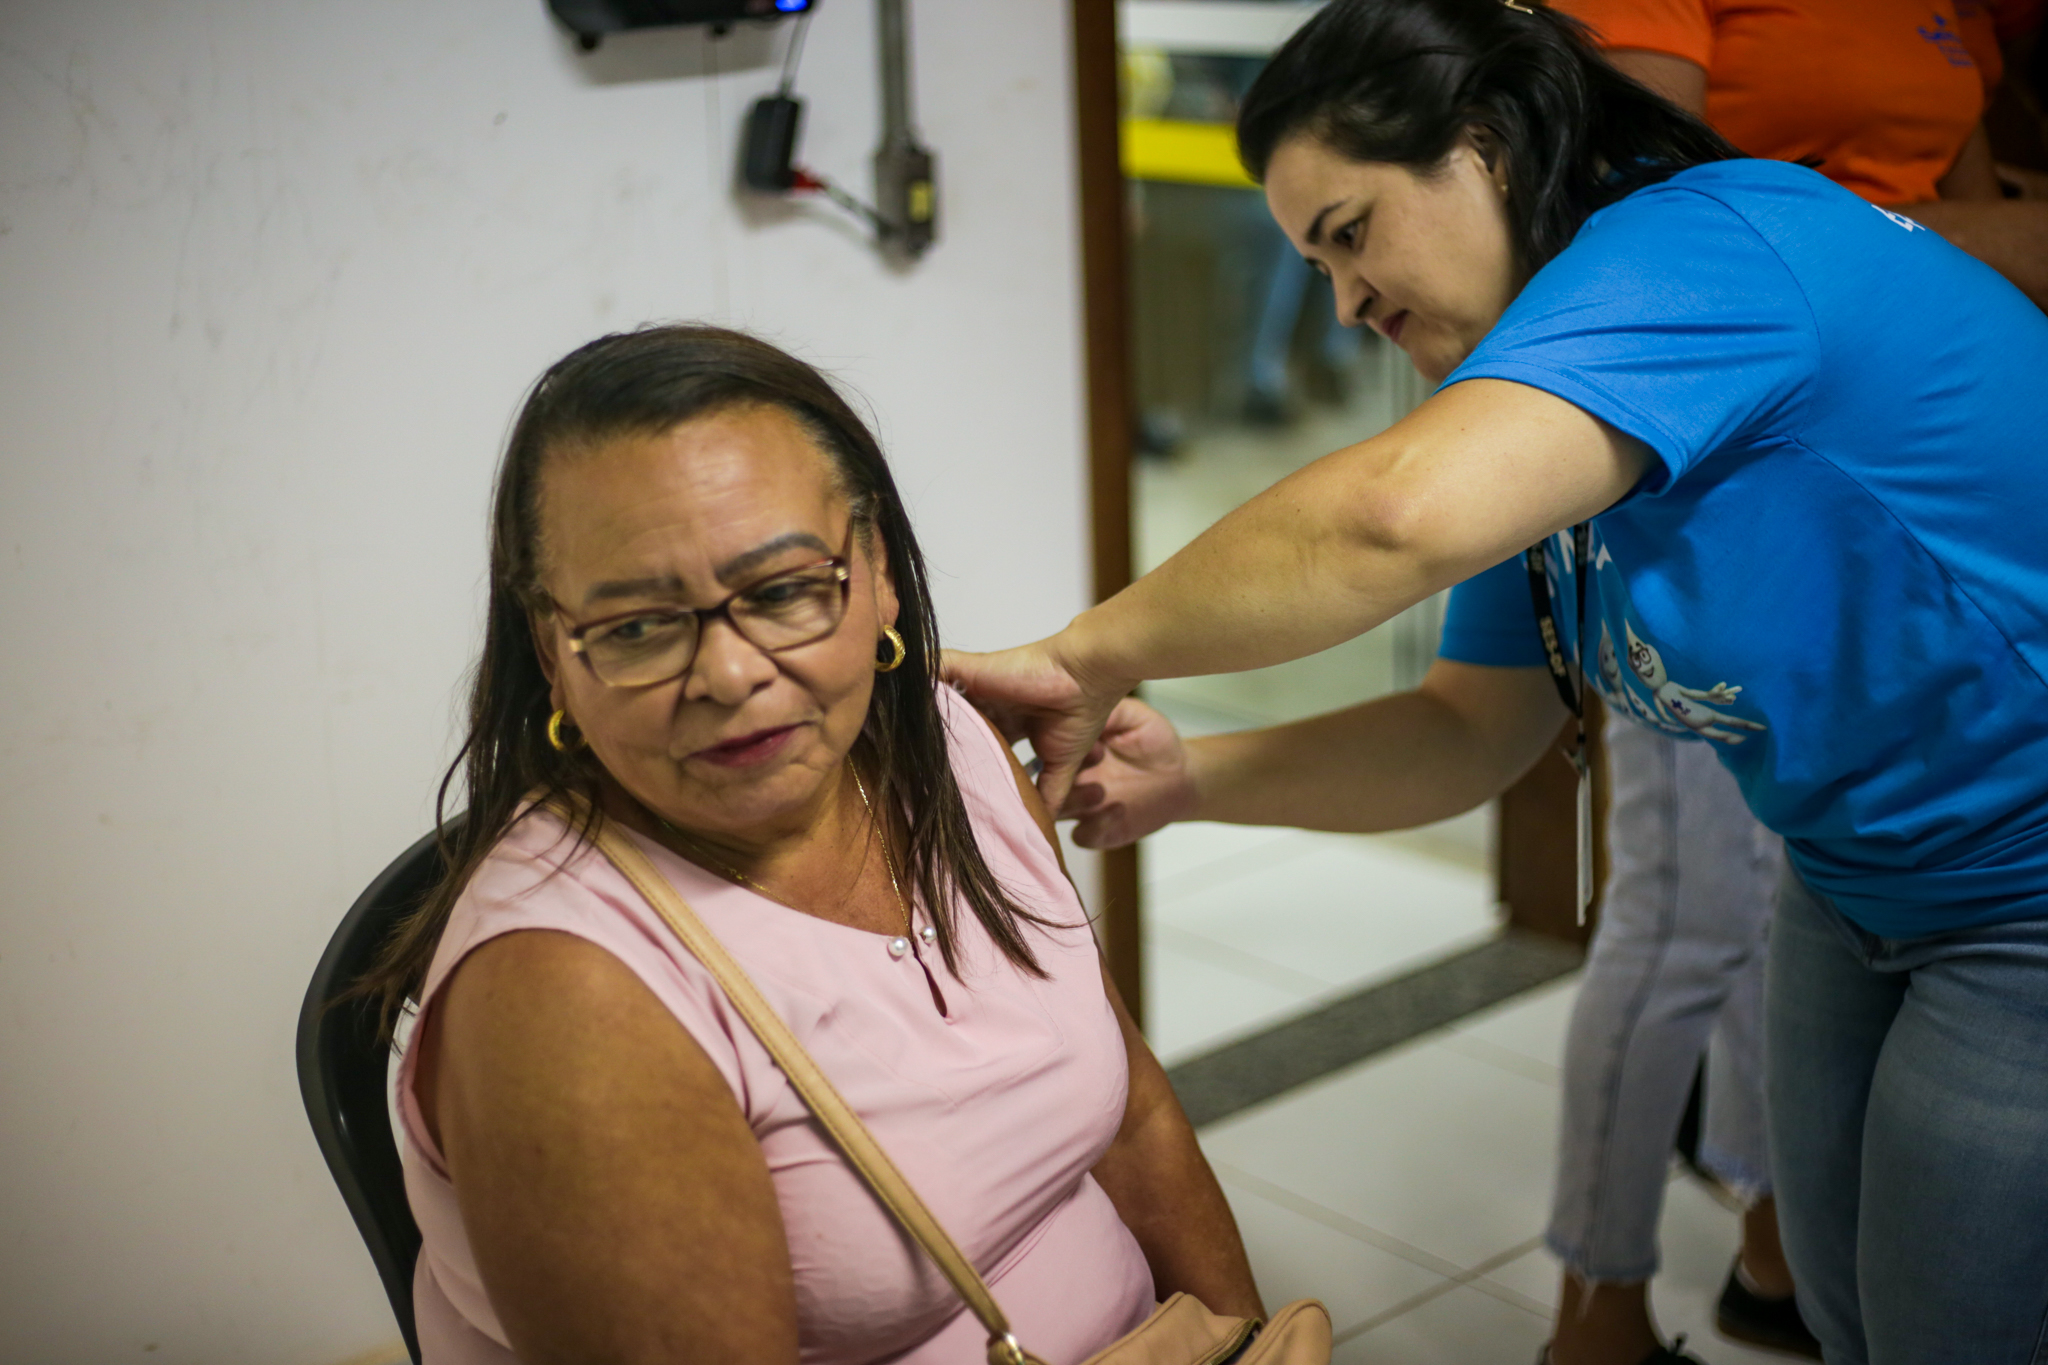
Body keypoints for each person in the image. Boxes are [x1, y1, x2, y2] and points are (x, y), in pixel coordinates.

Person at [943, 2, 2048, 1362]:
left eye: (1350, 233)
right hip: (1855, 875)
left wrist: (1085, 652)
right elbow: (1467, 730)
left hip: (2027, 889)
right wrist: (1191, 780)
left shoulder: (1705, 248)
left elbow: (1392, 518)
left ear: (1489, 146)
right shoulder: (1550, 398)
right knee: (1843, 1310)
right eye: (1315, 263)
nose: (1344, 303)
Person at [354, 326, 1262, 1365]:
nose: (730, 675)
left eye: (782, 590)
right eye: (640, 626)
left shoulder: (953, 745)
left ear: (874, 573)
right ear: (551, 656)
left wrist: (1252, 1345)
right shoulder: (568, 1001)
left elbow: (1133, 1113)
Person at [1501, 0, 2048, 1356]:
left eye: (1354, 240)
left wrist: (1886, 261)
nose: (1349, 296)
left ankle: (1718, 1276)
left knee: (1748, 925)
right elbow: (1632, 205)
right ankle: (1614, 1298)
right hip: (1704, 471)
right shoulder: (1570, 343)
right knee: (1688, 919)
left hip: (1873, 514)